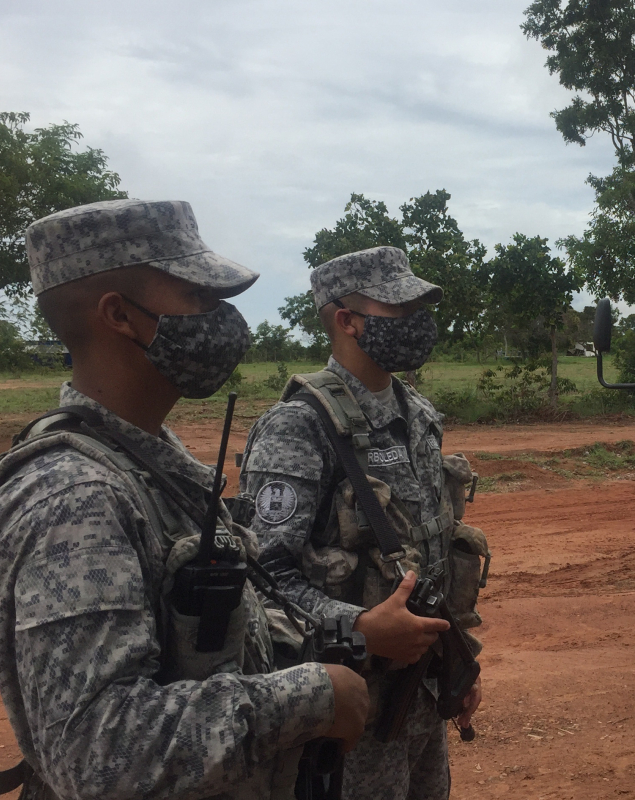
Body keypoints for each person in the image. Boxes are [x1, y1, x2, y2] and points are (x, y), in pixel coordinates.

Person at [0, 198, 370, 799]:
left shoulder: (147, 464)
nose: (221, 317)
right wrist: (309, 698)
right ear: (120, 315)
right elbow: (96, 749)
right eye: (198, 298)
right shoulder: (74, 498)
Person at [238, 246, 487, 800]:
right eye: (401, 310)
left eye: (421, 308)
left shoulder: (418, 417)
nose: (419, 324)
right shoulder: (297, 427)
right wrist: (358, 627)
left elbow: (434, 557)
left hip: (420, 693)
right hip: (344, 700)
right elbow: (261, 575)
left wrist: (458, 664)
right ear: (348, 320)